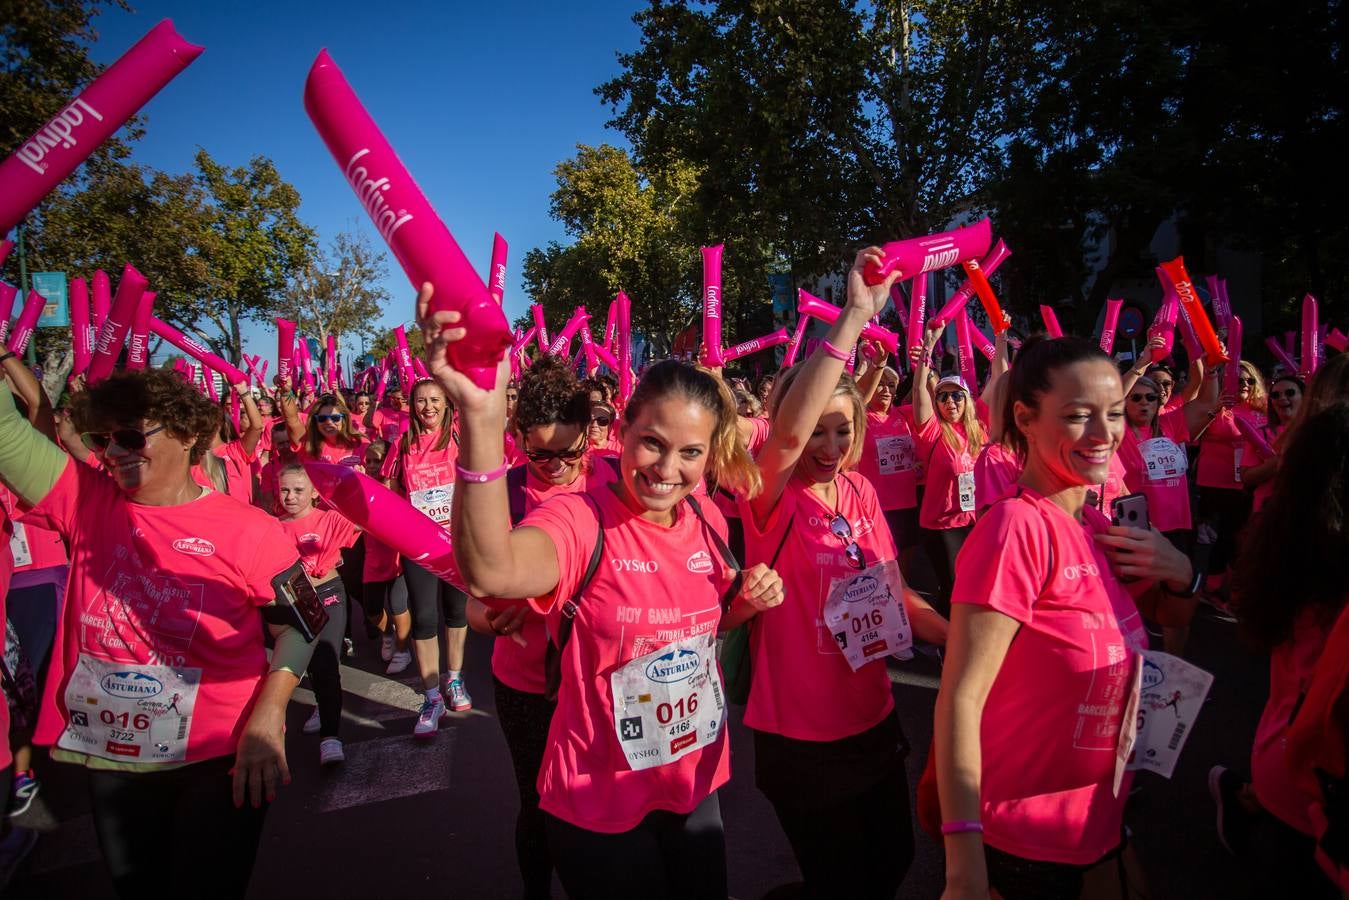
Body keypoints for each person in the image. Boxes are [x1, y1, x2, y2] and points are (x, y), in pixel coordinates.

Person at [420, 282, 784, 900]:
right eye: (653, 444)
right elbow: (491, 572)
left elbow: (704, 628)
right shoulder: (579, 518)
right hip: (598, 796)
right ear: (622, 431)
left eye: (690, 453)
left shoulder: (708, 522)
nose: (668, 470)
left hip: (692, 782)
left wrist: (746, 601)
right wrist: (479, 418)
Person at [0, 368, 315, 898]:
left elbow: (301, 628)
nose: (112, 452)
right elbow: (6, 435)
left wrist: (269, 713)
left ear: (188, 433)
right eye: (102, 439)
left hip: (220, 755)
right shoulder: (85, 499)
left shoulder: (250, 529)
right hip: (113, 752)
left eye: (129, 436)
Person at [935, 336, 1193, 900]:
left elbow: (1166, 621)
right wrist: (964, 868)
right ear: (1025, 419)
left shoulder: (1101, 528)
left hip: (1100, 825)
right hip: (1028, 847)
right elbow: (959, 699)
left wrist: (1181, 572)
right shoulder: (1014, 531)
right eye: (1078, 417)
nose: (1105, 435)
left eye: (1115, 414)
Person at [742, 248, 948, 898]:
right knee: (842, 884)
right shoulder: (767, 496)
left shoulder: (858, 492)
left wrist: (969, 638)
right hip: (799, 739)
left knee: (888, 865)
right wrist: (855, 316)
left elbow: (893, 594)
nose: (827, 449)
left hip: (872, 716)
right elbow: (786, 434)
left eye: (842, 431)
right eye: (815, 434)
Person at [468, 353, 618, 899]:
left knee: (608, 800)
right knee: (538, 802)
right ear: (517, 435)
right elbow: (472, 608)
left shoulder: (618, 479)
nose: (555, 464)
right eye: (539, 453)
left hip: (606, 679)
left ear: (592, 434)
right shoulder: (502, 494)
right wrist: (492, 616)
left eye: (569, 452)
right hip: (529, 685)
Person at [1208, 402, 1349, 898]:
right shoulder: (1316, 564)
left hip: (1293, 781)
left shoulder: (1294, 547)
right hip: (1313, 793)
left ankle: (1243, 800)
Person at [381, 378, 474, 733]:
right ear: (411, 406)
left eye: (435, 400)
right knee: (423, 618)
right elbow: (391, 491)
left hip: (456, 542)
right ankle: (432, 697)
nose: (428, 408)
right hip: (418, 544)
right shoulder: (402, 444)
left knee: (456, 612)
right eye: (421, 401)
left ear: (447, 404)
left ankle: (454, 679)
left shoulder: (458, 439)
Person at [1117, 359, 1221, 655]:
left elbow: (1206, 401)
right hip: (1141, 527)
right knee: (1138, 600)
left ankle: (1172, 668)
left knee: (1177, 600)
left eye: (1151, 397)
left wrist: (1209, 367)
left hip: (1177, 525)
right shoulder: (1118, 431)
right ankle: (1135, 665)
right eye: (1135, 397)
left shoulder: (1172, 423)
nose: (1144, 403)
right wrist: (1143, 359)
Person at [273, 465, 358, 765]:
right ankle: (321, 706)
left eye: (298, 490)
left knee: (326, 662)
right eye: (285, 490)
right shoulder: (272, 526)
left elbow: (368, 522)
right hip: (293, 601)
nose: (291, 497)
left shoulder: (330, 518)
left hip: (329, 595)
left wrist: (357, 486)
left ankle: (331, 738)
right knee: (299, 665)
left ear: (313, 493)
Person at [910, 322, 993, 609]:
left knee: (978, 584)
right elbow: (920, 387)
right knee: (954, 588)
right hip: (944, 526)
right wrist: (928, 349)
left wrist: (1002, 339)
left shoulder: (979, 431)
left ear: (967, 400)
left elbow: (1000, 380)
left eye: (957, 395)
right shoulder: (931, 431)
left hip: (976, 520)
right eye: (943, 396)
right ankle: (947, 646)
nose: (950, 401)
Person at [1194, 358, 1266, 607]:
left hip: (1250, 480)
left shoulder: (1263, 409)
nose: (1244, 384)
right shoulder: (1219, 405)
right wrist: (1215, 409)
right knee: (1228, 535)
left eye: (1249, 380)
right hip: (1217, 481)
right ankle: (1213, 586)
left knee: (1242, 536)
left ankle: (1232, 585)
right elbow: (1193, 436)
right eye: (1238, 380)